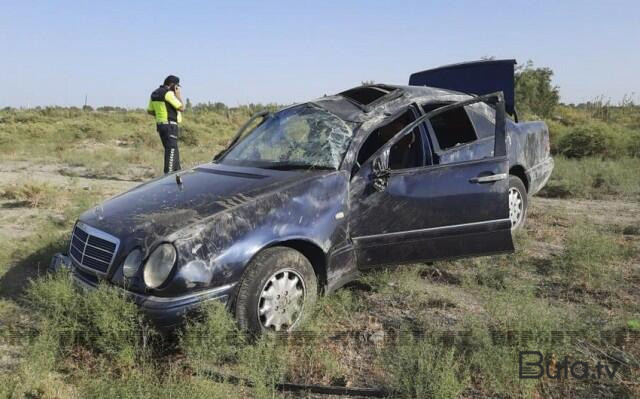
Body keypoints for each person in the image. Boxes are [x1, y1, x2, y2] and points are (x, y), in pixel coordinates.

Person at [147, 75, 184, 174]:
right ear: (172, 85)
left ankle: (177, 173)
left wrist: (160, 115)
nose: (177, 88)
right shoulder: (168, 94)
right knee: (171, 150)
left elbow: (150, 111)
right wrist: (178, 95)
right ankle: (168, 175)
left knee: (172, 149)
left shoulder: (154, 93)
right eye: (176, 86)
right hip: (170, 126)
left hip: (161, 126)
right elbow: (181, 108)